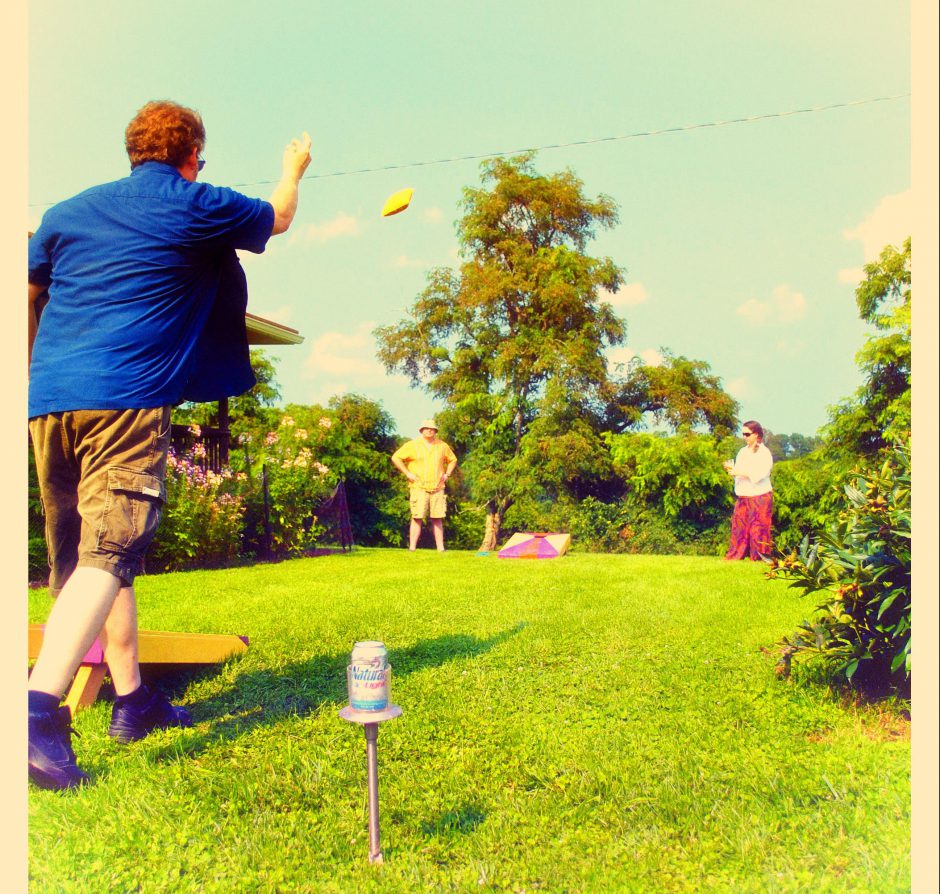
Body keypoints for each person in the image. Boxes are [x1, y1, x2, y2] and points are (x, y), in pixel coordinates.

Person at [27, 100, 312, 790]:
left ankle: (132, 700)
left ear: (132, 151)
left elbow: (28, 293)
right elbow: (275, 217)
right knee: (112, 548)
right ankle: (35, 717)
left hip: (48, 401)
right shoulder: (194, 202)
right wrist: (292, 170)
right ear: (192, 157)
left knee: (93, 555)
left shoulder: (65, 212)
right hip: (125, 397)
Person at [391, 419, 458, 552]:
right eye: (426, 428)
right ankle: (412, 548)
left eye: (432, 428)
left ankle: (441, 548)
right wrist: (407, 473)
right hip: (418, 486)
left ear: (435, 431)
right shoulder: (412, 445)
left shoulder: (442, 446)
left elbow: (453, 460)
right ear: (421, 430)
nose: (429, 430)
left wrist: (447, 474)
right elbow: (396, 457)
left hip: (438, 486)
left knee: (437, 518)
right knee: (417, 517)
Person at [723, 420, 774, 560]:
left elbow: (760, 473)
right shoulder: (742, 452)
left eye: (747, 434)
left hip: (759, 495)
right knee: (739, 528)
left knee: (759, 529)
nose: (744, 437)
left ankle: (759, 557)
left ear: (756, 435)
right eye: (743, 434)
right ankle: (735, 555)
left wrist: (739, 472)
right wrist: (734, 472)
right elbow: (739, 471)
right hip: (744, 495)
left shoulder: (764, 453)